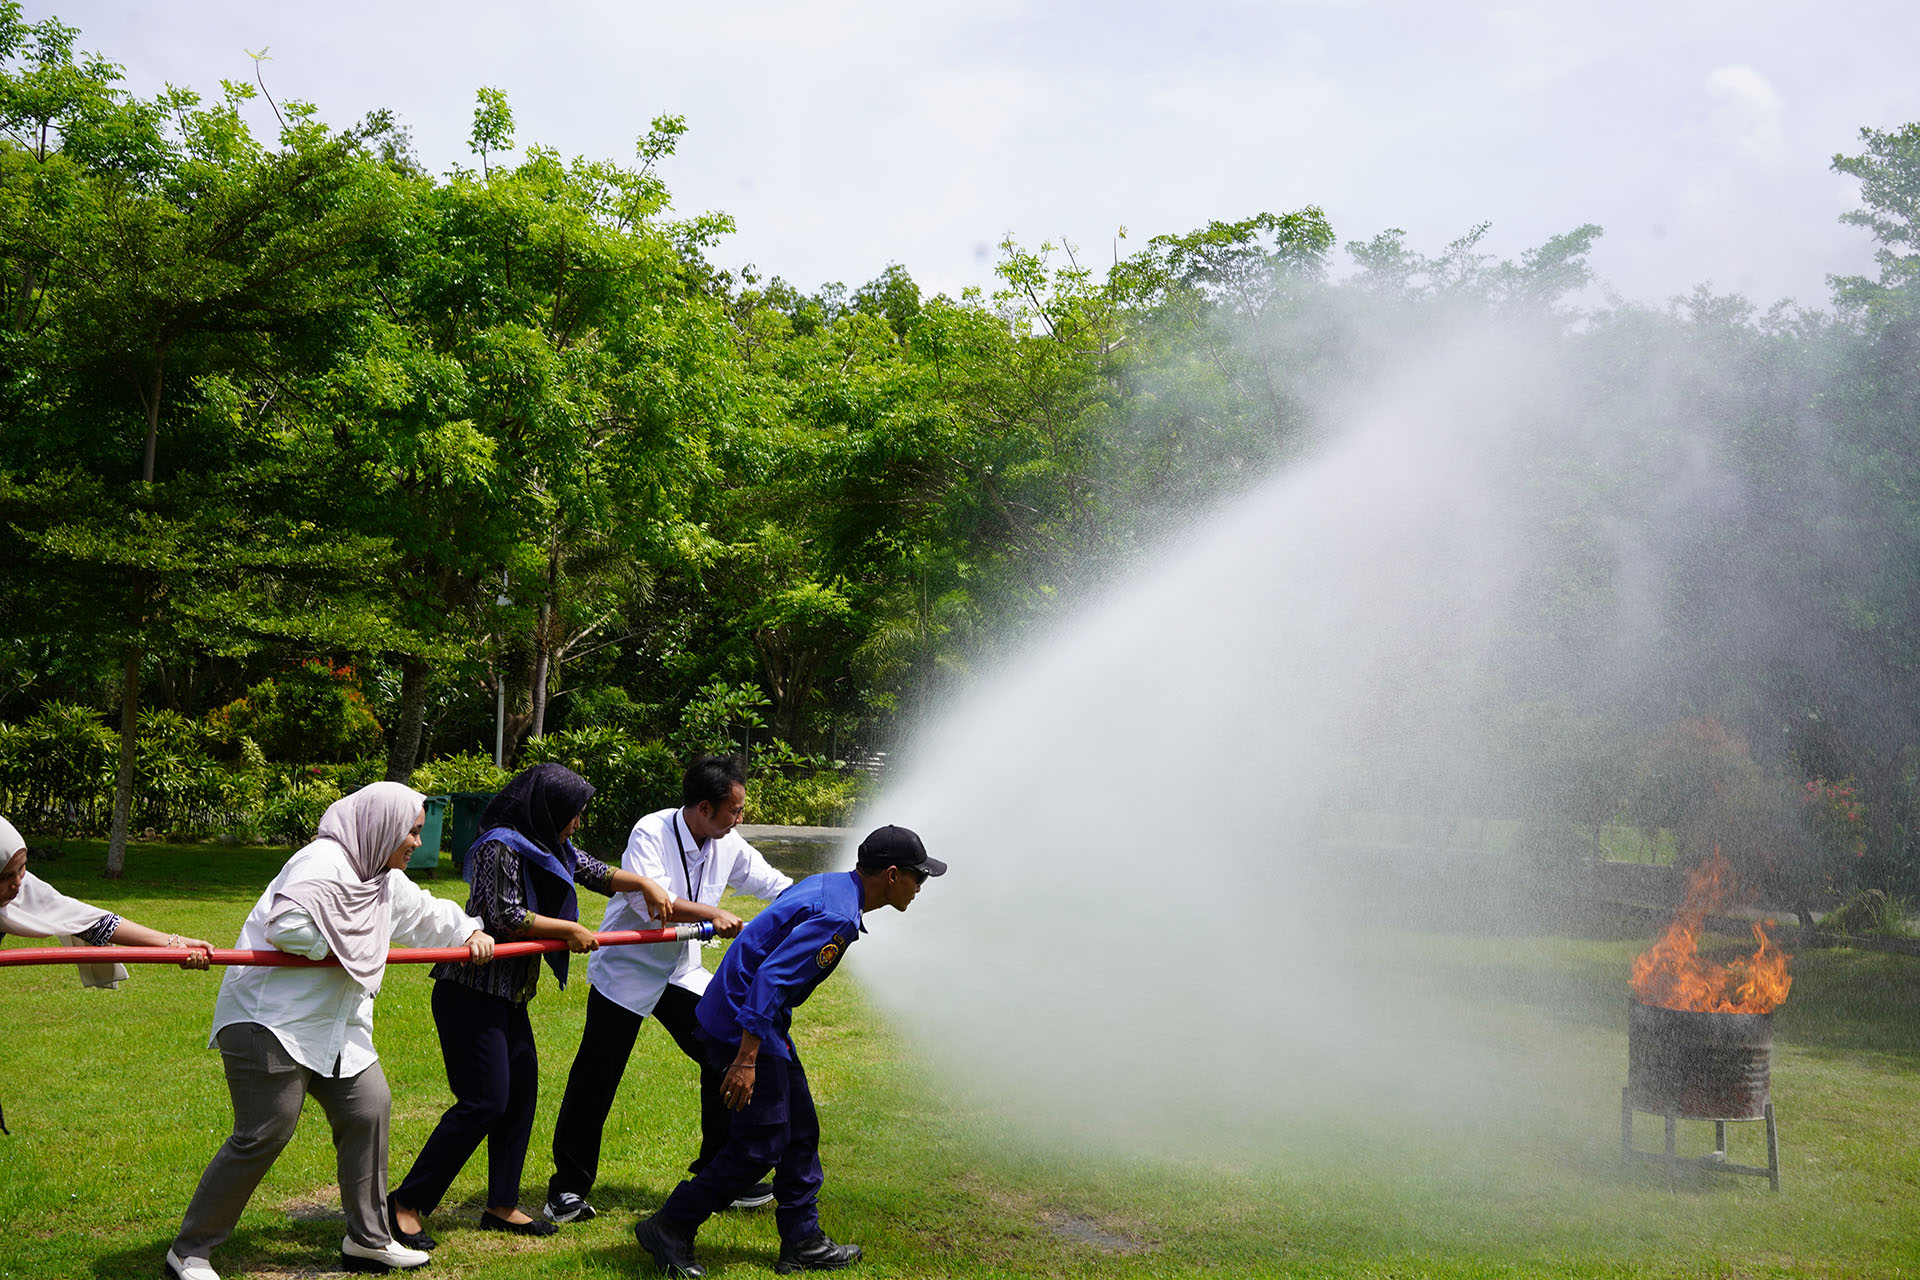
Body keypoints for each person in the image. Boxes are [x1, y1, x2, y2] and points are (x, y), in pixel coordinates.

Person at [166, 782, 494, 1280]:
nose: (414, 841)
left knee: (369, 1108)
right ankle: (189, 1251)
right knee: (266, 1131)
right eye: (410, 830)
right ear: (381, 826)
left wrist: (468, 930)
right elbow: (288, 927)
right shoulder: (321, 863)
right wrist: (356, 942)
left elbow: (426, 913)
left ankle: (367, 1239)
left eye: (418, 831)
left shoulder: (381, 877)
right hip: (270, 1019)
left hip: (336, 1026)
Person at [633, 824, 944, 1278]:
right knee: (760, 1147)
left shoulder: (834, 887)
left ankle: (802, 1240)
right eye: (919, 876)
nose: (921, 886)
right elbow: (772, 978)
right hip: (744, 1023)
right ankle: (671, 1225)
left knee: (799, 1131)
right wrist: (745, 1057)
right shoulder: (837, 916)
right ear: (893, 875)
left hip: (758, 1018)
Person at [389, 763, 671, 1246]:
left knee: (519, 1098)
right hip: (471, 992)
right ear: (548, 809)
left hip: (509, 996)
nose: (576, 825)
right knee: (484, 1101)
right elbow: (503, 914)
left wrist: (642, 883)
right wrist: (569, 930)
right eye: (574, 814)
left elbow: (594, 871)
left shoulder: (546, 842)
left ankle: (501, 1204)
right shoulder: (500, 844)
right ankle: (405, 1202)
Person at [543, 754, 793, 1224]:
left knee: (722, 1052)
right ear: (704, 806)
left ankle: (719, 1171)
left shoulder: (728, 841)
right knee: (596, 1078)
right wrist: (711, 915)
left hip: (681, 972)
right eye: (734, 811)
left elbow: (772, 882)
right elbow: (649, 903)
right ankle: (566, 1192)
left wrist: (807, 901)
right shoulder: (651, 832)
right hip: (627, 972)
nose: (740, 819)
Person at [0, 815, 214, 989]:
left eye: (22, 868)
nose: (17, 883)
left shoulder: (20, 886)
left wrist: (173, 943)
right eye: (5, 876)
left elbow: (87, 920)